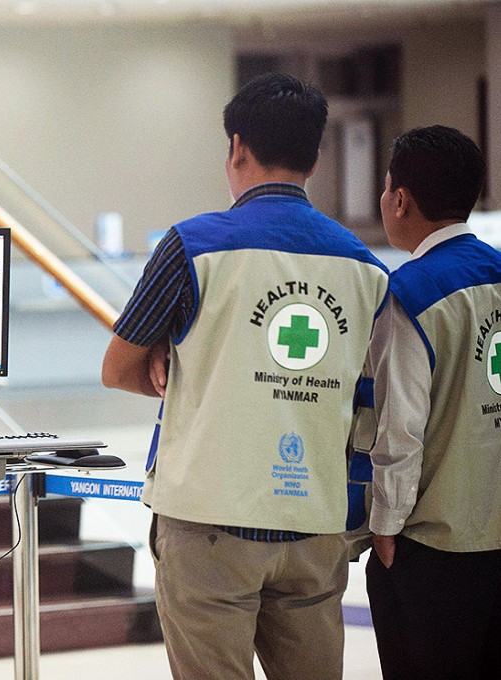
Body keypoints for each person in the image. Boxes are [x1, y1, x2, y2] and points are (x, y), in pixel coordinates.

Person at [101, 72, 389, 680]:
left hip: (208, 526)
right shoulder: (365, 267)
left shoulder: (192, 246)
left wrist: (175, 365)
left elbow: (117, 367)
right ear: (314, 158)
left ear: (236, 147)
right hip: (314, 526)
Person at [363, 125, 501, 679]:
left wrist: (385, 527)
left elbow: (400, 427)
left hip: (435, 551)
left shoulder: (410, 294)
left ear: (400, 200)